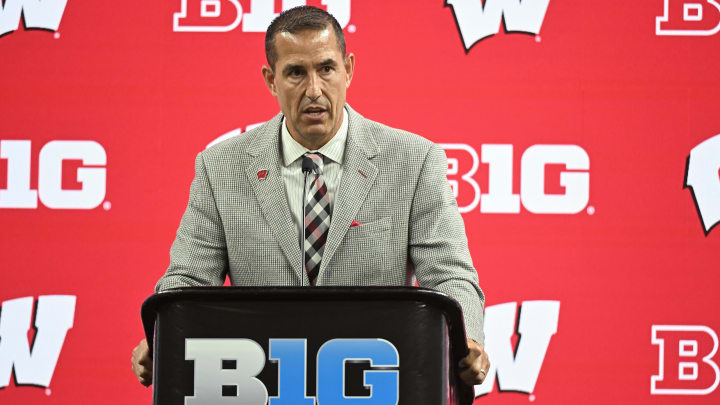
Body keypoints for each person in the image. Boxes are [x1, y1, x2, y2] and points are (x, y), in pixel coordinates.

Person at [132, 5, 489, 389]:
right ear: (271, 79)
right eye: (296, 73)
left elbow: (450, 274)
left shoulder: (414, 161)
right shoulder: (220, 167)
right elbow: (188, 278)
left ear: (348, 69)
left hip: (374, 383)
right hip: (262, 384)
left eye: (326, 69)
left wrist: (466, 338)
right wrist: (159, 334)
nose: (314, 90)